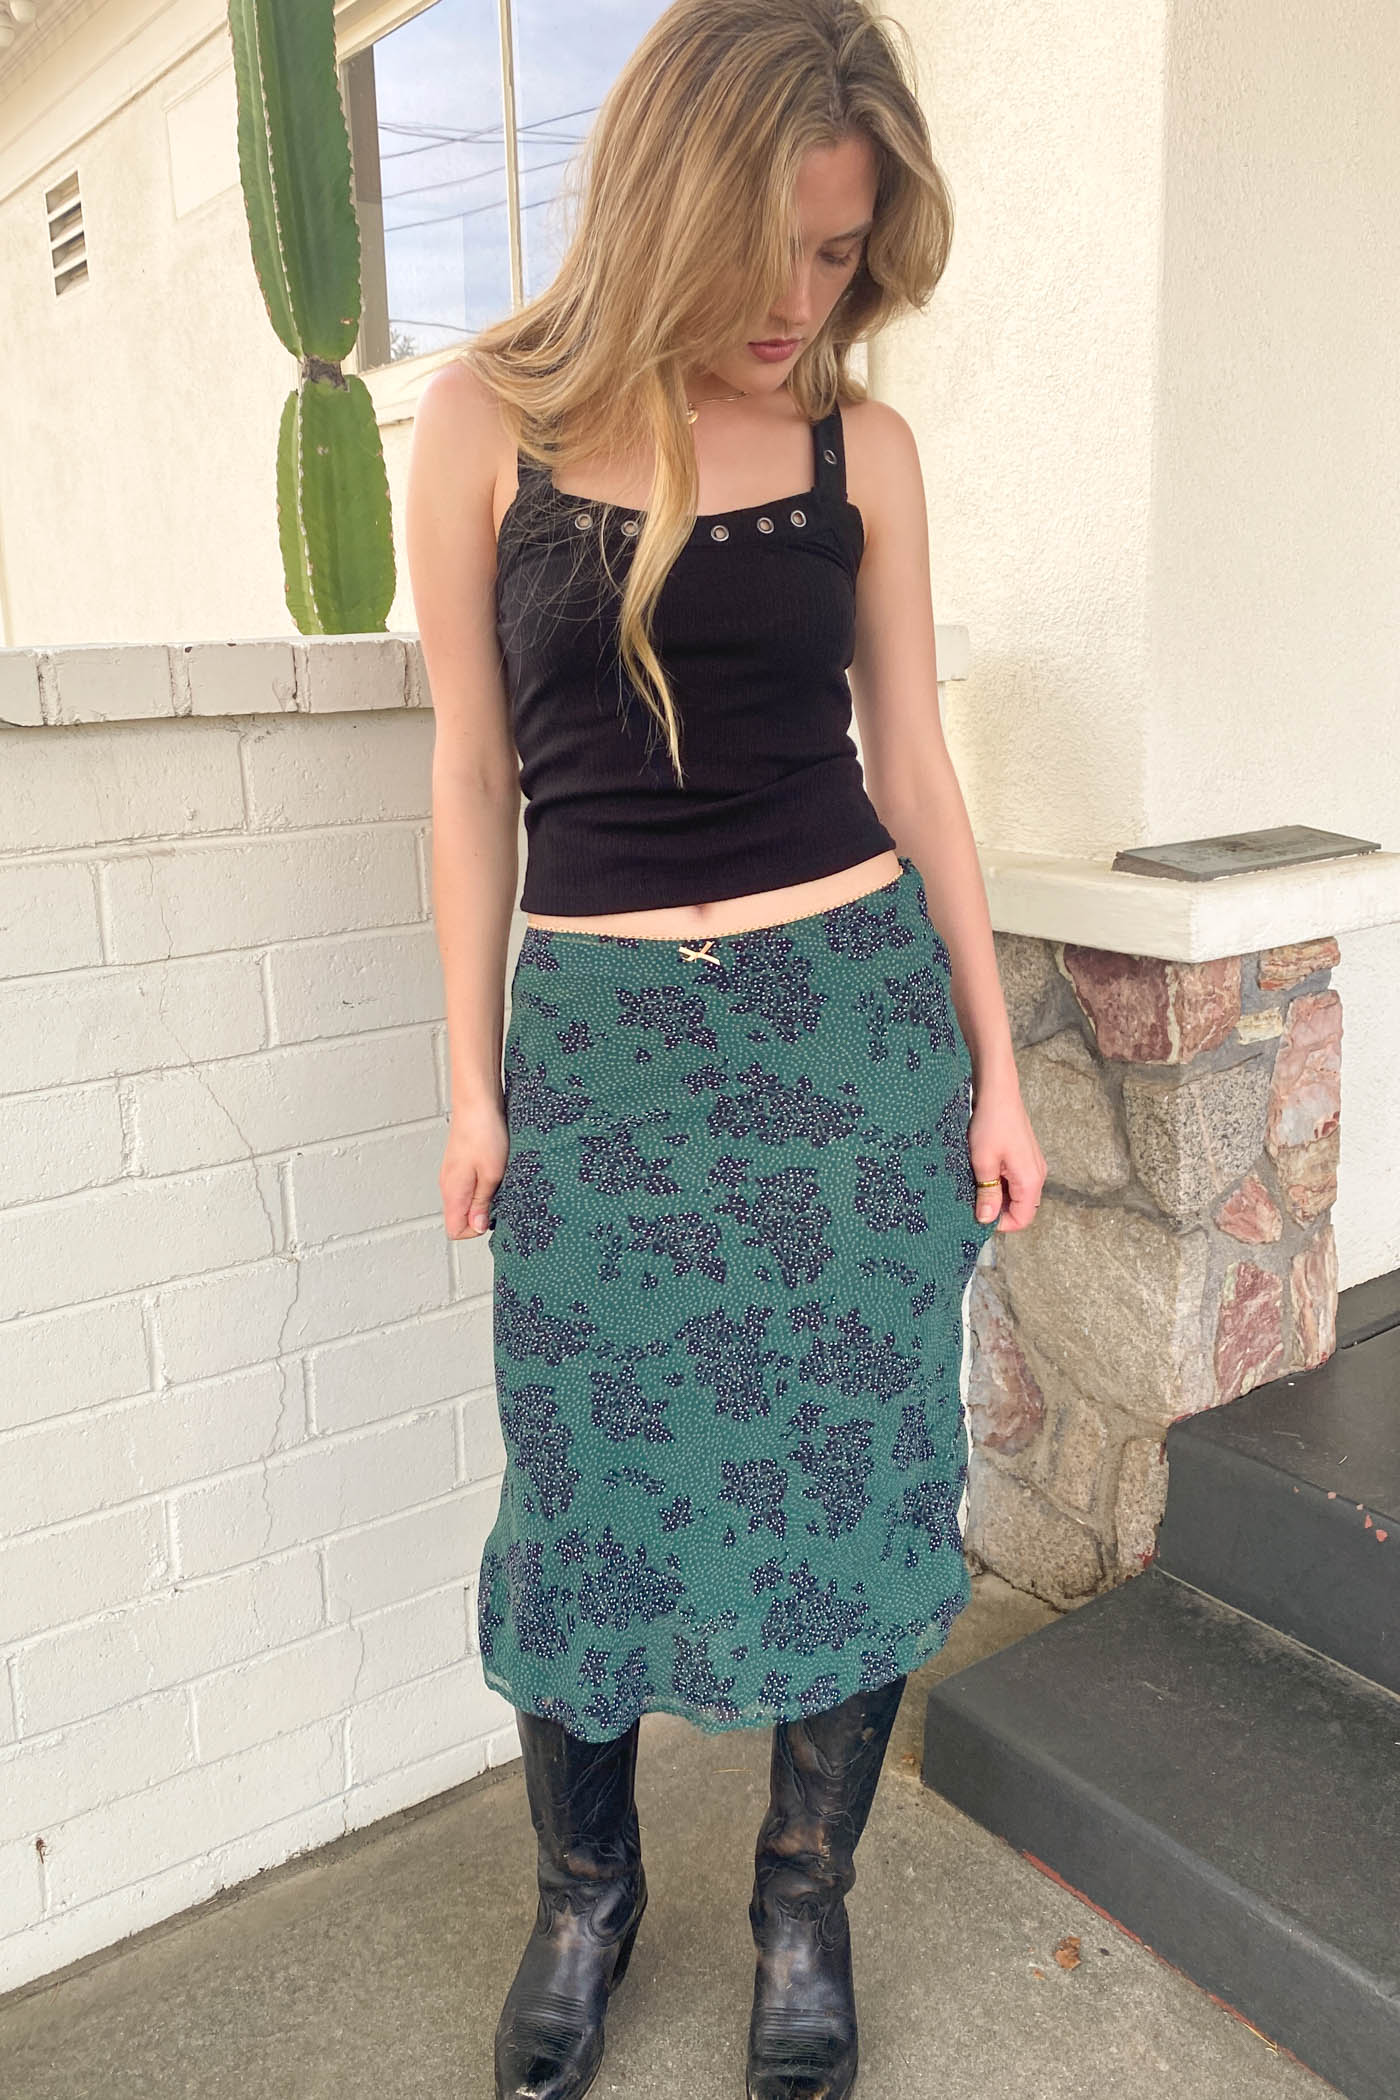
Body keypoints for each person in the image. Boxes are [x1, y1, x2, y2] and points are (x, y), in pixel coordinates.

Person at [406, 3, 1044, 2092]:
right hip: (598, 1048)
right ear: (670, 197)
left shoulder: (864, 453)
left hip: (849, 1039)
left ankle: (802, 1905)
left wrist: (1001, 1068)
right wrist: (475, 1076)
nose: (803, 302)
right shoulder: (487, 416)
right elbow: (472, 778)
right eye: (774, 245)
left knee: (851, 1478)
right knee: (582, 1495)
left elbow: (919, 771)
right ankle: (586, 1897)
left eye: (845, 256)